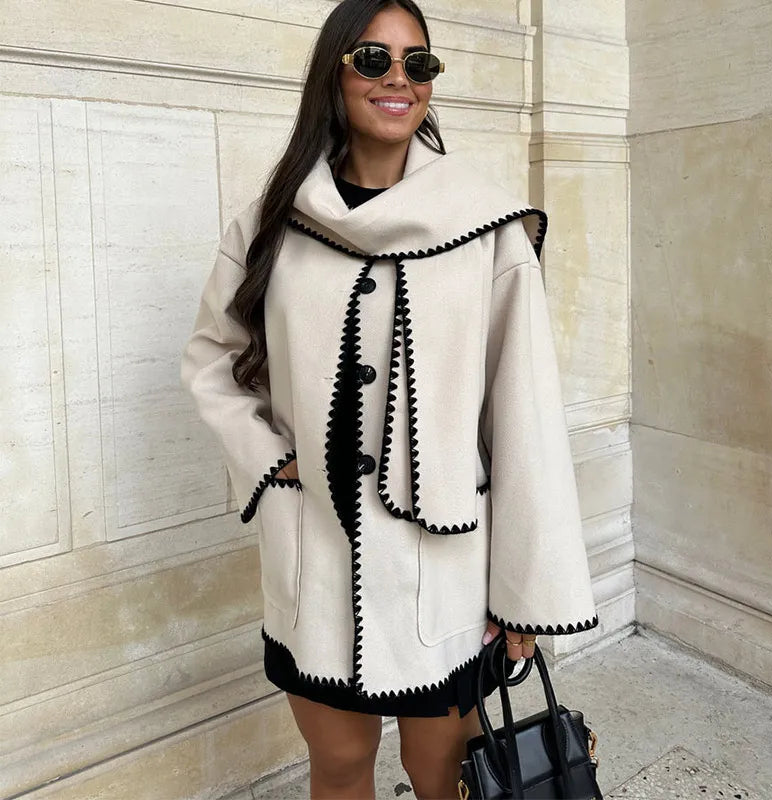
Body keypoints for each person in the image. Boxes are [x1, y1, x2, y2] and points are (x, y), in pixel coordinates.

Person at [180, 0, 599, 797]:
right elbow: (213, 359)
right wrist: (270, 463)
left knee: (441, 772)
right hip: (314, 558)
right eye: (373, 59)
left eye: (419, 63)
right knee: (339, 765)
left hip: (446, 571)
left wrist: (526, 592)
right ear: (333, 73)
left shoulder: (486, 225)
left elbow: (526, 415)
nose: (398, 79)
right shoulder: (270, 223)